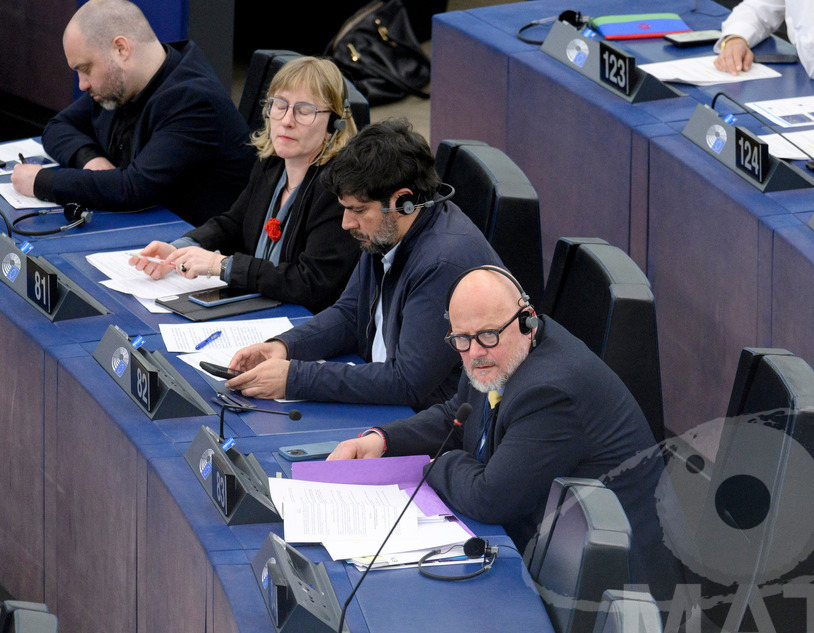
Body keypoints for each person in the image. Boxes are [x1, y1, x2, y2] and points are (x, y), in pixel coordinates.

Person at [328, 266, 678, 596]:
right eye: (461, 340)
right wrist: (384, 440)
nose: (476, 352)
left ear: (527, 319)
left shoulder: (551, 392)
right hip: (554, 545)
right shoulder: (502, 350)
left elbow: (489, 497)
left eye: (488, 336)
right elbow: (457, 416)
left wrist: (438, 463)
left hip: (613, 591)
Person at [225, 119, 502, 410]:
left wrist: (294, 378)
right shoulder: (387, 229)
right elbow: (350, 314)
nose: (346, 223)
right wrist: (283, 347)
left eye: (357, 210)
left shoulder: (444, 263)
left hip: (433, 424)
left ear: (403, 201)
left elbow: (408, 383)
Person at [128, 57, 360, 313]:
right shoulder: (270, 165)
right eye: (279, 105)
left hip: (301, 321)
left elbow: (311, 283)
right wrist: (180, 249)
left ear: (333, 125)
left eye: (304, 111)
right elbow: (234, 224)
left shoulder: (338, 190)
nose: (286, 120)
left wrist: (223, 265)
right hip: (259, 306)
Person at [11, 0, 253, 226]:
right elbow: (57, 126)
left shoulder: (194, 100)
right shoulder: (121, 84)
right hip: (150, 231)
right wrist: (90, 159)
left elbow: (133, 188)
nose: (82, 84)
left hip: (198, 249)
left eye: (85, 69)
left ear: (121, 49)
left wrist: (42, 182)